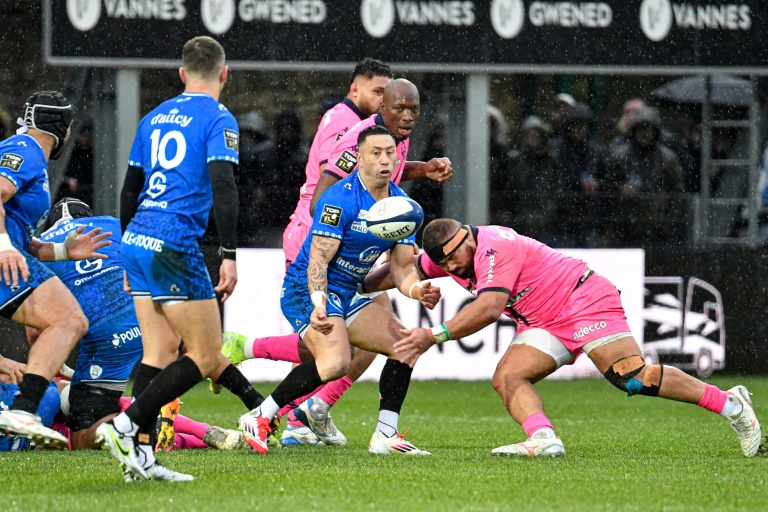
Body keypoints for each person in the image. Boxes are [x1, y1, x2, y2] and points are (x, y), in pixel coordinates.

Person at [380, 218, 760, 458]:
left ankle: (732, 405)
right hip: (544, 322)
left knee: (632, 377)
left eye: (453, 260)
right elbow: (406, 268)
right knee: (508, 377)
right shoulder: (451, 251)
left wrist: (433, 335)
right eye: (443, 265)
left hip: (583, 299)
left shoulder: (495, 247)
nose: (451, 269)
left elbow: (489, 309)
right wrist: (359, 285)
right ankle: (544, 439)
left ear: (468, 239)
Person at [223, 77, 453, 447]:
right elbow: (318, 260)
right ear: (359, 157)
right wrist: (318, 303)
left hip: (348, 290)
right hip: (309, 286)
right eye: (375, 154)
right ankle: (261, 416)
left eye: (389, 155)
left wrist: (416, 288)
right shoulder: (340, 197)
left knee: (408, 343)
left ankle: (385, 436)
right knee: (335, 362)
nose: (383, 160)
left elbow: (401, 267)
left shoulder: (403, 209)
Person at [96, 36, 240, 483]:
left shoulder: (153, 117)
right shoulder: (218, 118)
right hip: (174, 242)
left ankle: (140, 456)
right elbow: (224, 184)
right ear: (223, 74)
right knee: (206, 353)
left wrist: (124, 257)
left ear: (182, 73)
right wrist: (229, 253)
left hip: (136, 236)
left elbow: (127, 191)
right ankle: (125, 424)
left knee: (159, 351)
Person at [0, 91, 112, 449]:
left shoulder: (27, 154)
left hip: (9, 252)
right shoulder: (28, 149)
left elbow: (22, 238)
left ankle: (23, 408)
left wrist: (64, 250)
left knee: (66, 321)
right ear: (62, 131)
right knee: (69, 321)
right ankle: (23, 409)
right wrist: (3, 247)